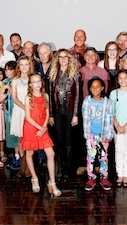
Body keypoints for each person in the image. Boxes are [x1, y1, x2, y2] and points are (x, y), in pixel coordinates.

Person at [22, 73, 62, 197]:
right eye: (34, 82)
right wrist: (39, 128)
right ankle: (34, 178)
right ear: (30, 84)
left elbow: (47, 113)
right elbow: (28, 117)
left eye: (38, 81)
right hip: (31, 127)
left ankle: (52, 182)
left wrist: (44, 128)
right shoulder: (28, 97)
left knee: (51, 153)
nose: (37, 84)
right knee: (30, 152)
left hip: (43, 128)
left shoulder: (45, 95)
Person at [48, 49, 80, 182]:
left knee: (69, 140)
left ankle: (68, 169)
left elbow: (77, 95)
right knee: (59, 140)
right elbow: (50, 96)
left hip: (69, 111)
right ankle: (60, 168)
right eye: (60, 57)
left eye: (65, 57)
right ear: (57, 59)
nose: (63, 59)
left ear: (69, 59)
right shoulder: (53, 74)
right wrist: (50, 114)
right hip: (57, 111)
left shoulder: (75, 74)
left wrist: (75, 115)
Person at [82, 77, 115, 191]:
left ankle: (103, 177)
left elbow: (110, 120)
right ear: (89, 89)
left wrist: (109, 135)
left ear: (102, 88)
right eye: (93, 87)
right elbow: (85, 119)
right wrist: (87, 135)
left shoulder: (107, 102)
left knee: (103, 157)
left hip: (104, 135)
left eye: (97, 86)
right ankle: (91, 178)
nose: (95, 89)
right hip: (91, 135)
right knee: (90, 158)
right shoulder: (87, 101)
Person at [10, 56, 34, 177]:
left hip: (31, 112)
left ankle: (30, 166)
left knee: (29, 138)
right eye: (22, 64)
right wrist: (24, 107)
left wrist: (30, 108)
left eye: (26, 64)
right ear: (18, 66)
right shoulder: (15, 80)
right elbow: (14, 98)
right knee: (20, 138)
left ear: (30, 65)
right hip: (20, 111)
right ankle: (22, 165)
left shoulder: (33, 79)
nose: (24, 67)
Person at [3, 61, 20, 170]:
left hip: (17, 113)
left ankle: (19, 159)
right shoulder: (5, 81)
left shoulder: (19, 81)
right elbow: (1, 96)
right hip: (8, 114)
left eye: (10, 69)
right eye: (6, 69)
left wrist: (8, 87)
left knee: (18, 137)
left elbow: (17, 95)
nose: (8, 72)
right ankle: (16, 156)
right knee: (12, 138)